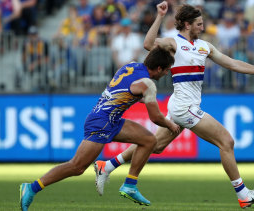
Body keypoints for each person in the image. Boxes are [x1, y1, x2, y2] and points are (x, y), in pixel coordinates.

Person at [94, 1, 254, 209]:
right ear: (187, 25)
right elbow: (148, 44)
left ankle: (107, 166)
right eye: (199, 24)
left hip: (181, 105)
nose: (202, 27)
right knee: (226, 142)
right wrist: (160, 16)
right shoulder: (173, 43)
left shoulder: (205, 46)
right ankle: (243, 194)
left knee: (156, 145)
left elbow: (232, 63)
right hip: (184, 108)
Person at [19, 46, 180, 211]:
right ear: (159, 68)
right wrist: (171, 125)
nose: (167, 73)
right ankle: (32, 188)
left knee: (149, 140)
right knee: (77, 166)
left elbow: (123, 89)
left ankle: (130, 185)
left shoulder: (130, 66)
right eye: (166, 70)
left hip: (111, 119)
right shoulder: (148, 84)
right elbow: (155, 117)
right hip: (101, 122)